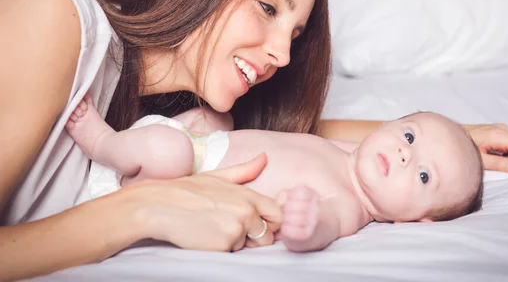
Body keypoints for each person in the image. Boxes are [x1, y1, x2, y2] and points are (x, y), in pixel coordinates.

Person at [0, 0, 508, 281]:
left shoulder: (168, 102)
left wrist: (452, 140)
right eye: (266, 7)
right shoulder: (52, 18)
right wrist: (141, 209)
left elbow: (302, 139)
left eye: (294, 36)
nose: (281, 54)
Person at [66, 95, 484, 252]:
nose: (404, 154)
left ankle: (101, 143)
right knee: (220, 117)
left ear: (420, 221)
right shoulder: (352, 154)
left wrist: (305, 221)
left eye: (425, 176)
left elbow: (325, 225)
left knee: (168, 150)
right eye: (409, 135)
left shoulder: (352, 205)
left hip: (176, 178)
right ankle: (148, 138)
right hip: (201, 145)